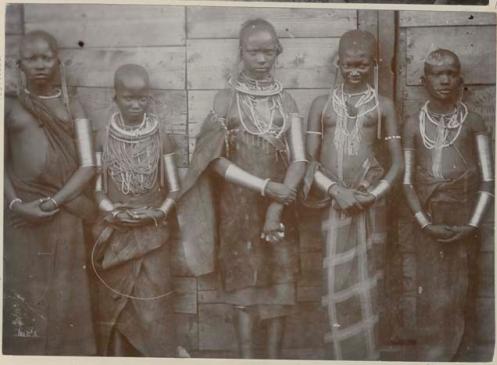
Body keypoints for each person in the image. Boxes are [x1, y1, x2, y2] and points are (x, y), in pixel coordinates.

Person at [177, 18, 306, 358]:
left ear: (278, 51)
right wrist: (266, 187)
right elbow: (211, 160)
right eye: (254, 52)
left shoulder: (287, 101)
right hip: (238, 210)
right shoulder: (225, 100)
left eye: (269, 51)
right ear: (241, 53)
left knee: (279, 290)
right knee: (244, 293)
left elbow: (301, 159)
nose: (262, 59)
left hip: (280, 211)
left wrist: (277, 206)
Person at [303, 30, 403, 360]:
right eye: (348, 64)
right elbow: (307, 162)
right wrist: (334, 190)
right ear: (338, 63)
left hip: (368, 204)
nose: (354, 71)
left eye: (362, 64)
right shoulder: (321, 105)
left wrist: (374, 195)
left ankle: (367, 355)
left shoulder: (383, 106)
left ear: (374, 64)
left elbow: (397, 164)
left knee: (368, 281)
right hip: (333, 204)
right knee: (335, 282)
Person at [3, 30, 96, 355]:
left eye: (46, 58)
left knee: (65, 300)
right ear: (19, 64)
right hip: (20, 218)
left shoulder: (75, 106)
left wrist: (54, 201)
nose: (40, 65)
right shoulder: (9, 107)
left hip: (64, 212)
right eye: (32, 58)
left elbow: (88, 166)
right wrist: (15, 204)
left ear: (58, 61)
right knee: (25, 296)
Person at [402, 49, 494, 361]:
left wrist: (471, 225)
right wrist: (425, 223)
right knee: (432, 298)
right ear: (423, 79)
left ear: (460, 79)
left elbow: (488, 180)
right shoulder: (413, 124)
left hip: (465, 221)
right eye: (436, 73)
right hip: (427, 221)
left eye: (451, 73)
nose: (444, 79)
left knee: (460, 294)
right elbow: (406, 182)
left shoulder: (474, 122)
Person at [91, 64, 183, 357]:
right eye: (128, 98)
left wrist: (158, 213)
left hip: (153, 235)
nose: (135, 104)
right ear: (114, 96)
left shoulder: (162, 137)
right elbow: (97, 189)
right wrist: (113, 212)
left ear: (149, 98)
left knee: (153, 309)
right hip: (116, 234)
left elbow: (175, 189)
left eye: (141, 98)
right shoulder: (103, 138)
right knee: (116, 306)